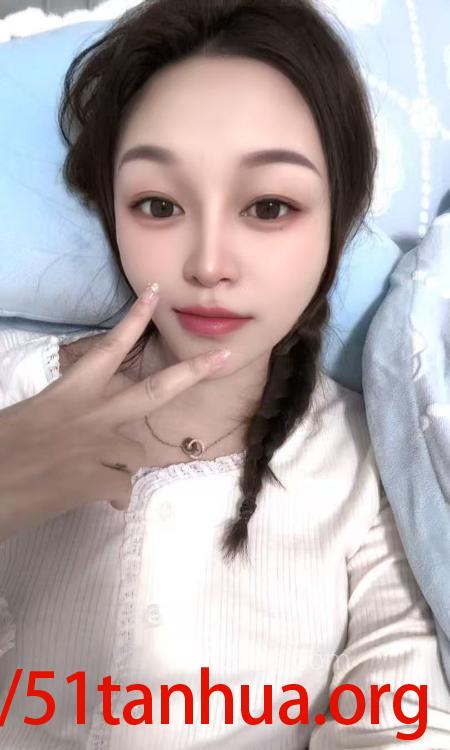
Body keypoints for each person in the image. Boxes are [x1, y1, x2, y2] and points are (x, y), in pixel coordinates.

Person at [0, 0, 449, 747]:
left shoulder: (370, 464)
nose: (208, 264)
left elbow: (403, 721)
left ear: (337, 220)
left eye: (269, 207)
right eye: (158, 204)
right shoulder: (10, 392)